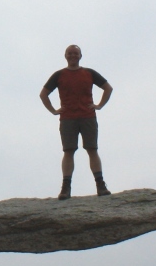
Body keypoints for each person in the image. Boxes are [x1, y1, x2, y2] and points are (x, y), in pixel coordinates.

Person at [39, 44, 113, 200]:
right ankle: (65, 188)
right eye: (70, 53)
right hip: (68, 119)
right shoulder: (59, 75)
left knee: (92, 149)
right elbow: (43, 94)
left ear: (80, 56)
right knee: (68, 151)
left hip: (88, 116)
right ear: (65, 56)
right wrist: (53, 110)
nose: (72, 56)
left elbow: (108, 88)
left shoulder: (89, 73)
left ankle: (100, 185)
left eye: (75, 53)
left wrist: (99, 105)